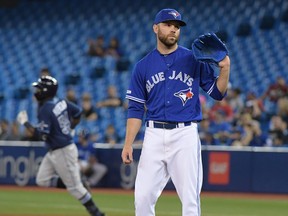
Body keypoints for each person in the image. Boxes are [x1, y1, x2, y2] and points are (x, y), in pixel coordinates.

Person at [121, 8, 230, 216]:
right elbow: (135, 108)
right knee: (142, 199)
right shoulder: (142, 66)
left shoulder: (193, 59)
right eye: (168, 24)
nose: (173, 29)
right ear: (155, 28)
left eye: (177, 26)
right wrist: (128, 143)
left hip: (184, 134)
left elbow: (217, 93)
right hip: (153, 134)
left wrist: (225, 68)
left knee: (190, 200)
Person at [16, 76, 105, 216]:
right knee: (42, 180)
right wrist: (71, 128)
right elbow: (77, 112)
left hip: (62, 150)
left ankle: (97, 213)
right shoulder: (61, 101)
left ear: (46, 91)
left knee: (76, 189)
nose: (36, 91)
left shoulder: (45, 108)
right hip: (55, 150)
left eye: (39, 88)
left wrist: (25, 123)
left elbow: (41, 135)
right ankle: (77, 179)